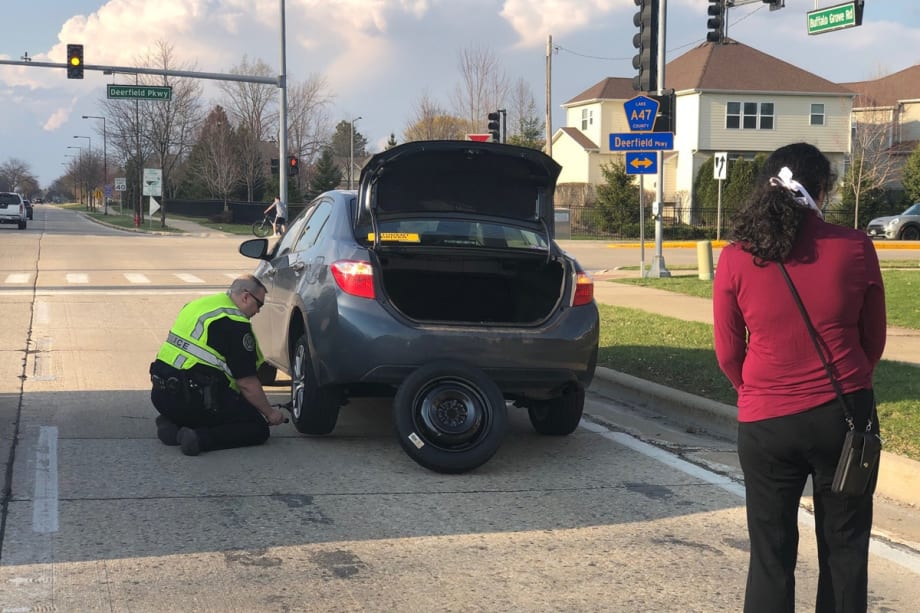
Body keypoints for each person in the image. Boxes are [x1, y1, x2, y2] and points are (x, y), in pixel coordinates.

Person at [713, 142, 887, 612]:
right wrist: (850, 382)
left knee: (770, 554)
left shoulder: (734, 258)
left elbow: (729, 352)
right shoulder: (854, 247)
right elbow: (874, 341)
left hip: (766, 421)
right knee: (845, 547)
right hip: (844, 415)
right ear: (823, 190)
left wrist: (755, 393)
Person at [150, 274, 286, 456]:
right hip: (191, 400)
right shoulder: (236, 324)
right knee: (256, 427)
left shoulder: (199, 305)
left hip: (162, 394)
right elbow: (246, 383)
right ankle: (198, 438)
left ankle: (172, 425)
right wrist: (270, 413)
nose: (258, 311)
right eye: (259, 304)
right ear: (245, 297)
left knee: (228, 403)